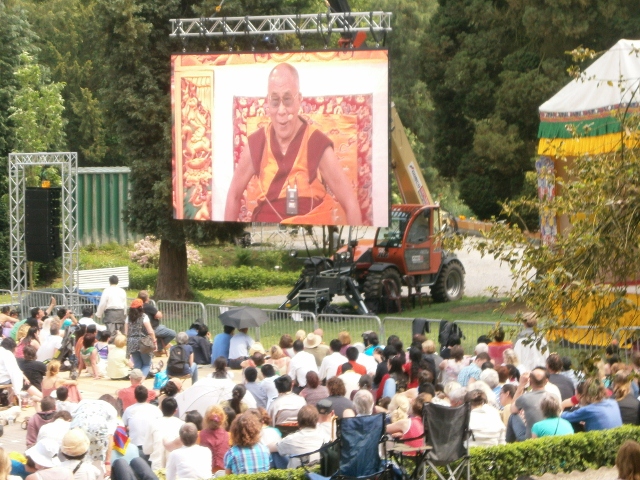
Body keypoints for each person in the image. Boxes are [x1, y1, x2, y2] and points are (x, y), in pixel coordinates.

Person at [224, 62, 362, 225]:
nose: (282, 111)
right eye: (275, 102)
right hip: (265, 241)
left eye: (288, 100)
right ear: (268, 102)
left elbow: (350, 202)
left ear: (299, 100)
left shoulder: (316, 144)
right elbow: (233, 195)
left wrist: (356, 247)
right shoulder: (257, 143)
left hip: (309, 241)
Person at [142, 397, 184, 470]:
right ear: (175, 411)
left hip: (157, 468)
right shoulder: (182, 425)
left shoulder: (153, 424)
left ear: (161, 408)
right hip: (176, 468)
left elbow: (146, 450)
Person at [122, 385, 162, 454]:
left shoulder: (129, 410)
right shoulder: (155, 410)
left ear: (135, 396)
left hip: (134, 445)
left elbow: (123, 426)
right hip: (152, 446)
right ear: (147, 396)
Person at [511, 369, 549, 439]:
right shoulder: (554, 397)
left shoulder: (525, 398)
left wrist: (521, 385)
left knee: (512, 416)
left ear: (530, 382)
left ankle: (508, 445)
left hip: (530, 438)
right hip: (550, 435)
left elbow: (512, 409)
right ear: (546, 381)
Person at [124, 299, 156, 378]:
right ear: (141, 307)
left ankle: (135, 380)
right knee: (146, 364)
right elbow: (150, 331)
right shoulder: (144, 316)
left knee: (137, 364)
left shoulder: (128, 317)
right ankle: (140, 381)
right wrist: (154, 340)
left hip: (131, 342)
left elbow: (126, 332)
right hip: (143, 342)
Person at [138, 290, 176, 356]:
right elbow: (159, 315)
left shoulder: (137, 307)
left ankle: (160, 347)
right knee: (172, 333)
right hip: (153, 328)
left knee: (163, 327)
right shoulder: (148, 306)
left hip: (141, 329)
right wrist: (159, 313)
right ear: (147, 298)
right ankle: (158, 348)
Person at [200, 405, 229, 473]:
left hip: (206, 472)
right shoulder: (228, 435)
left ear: (206, 419)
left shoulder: (200, 435)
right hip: (224, 473)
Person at [0, 338, 27, 402]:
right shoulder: (7, 354)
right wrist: (17, 390)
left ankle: (10, 400)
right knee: (21, 379)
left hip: (2, 377)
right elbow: (14, 372)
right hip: (2, 379)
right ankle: (12, 401)